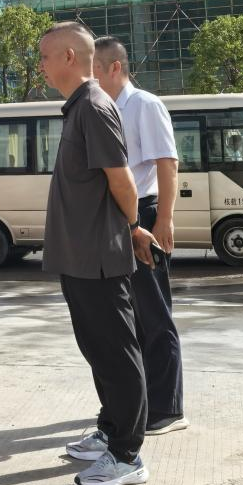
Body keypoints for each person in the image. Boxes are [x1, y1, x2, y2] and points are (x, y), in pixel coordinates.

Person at [36, 22, 157, 485]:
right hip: (79, 257)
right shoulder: (78, 108)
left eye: (45, 56)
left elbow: (122, 181)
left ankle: (127, 455)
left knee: (118, 353)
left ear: (69, 57)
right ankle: (110, 429)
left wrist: (134, 227)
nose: (41, 66)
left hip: (100, 256)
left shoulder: (94, 106)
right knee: (98, 350)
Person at [94, 37, 187, 435]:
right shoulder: (106, 108)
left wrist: (164, 219)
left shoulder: (144, 105)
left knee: (154, 314)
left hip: (145, 214)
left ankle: (168, 409)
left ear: (115, 67)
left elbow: (167, 163)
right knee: (127, 319)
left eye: (95, 70)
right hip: (116, 220)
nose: (90, 79)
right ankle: (140, 400)